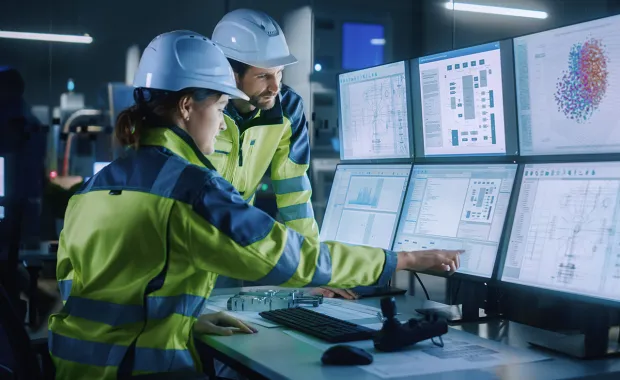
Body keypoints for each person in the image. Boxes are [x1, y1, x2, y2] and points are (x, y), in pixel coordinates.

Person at [48, 30, 463, 379]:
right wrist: (401, 260)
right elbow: (287, 258)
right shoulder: (191, 189)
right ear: (188, 106)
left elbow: (85, 288)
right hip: (141, 368)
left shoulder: (94, 188)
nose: (223, 121)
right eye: (221, 107)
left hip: (75, 366)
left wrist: (185, 322)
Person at [209, 9, 356, 299]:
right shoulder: (201, 109)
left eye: (279, 73)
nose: (275, 87)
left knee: (221, 327)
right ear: (230, 73)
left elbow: (294, 197)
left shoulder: (288, 108)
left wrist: (313, 272)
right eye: (263, 75)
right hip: (182, 247)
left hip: (230, 249)